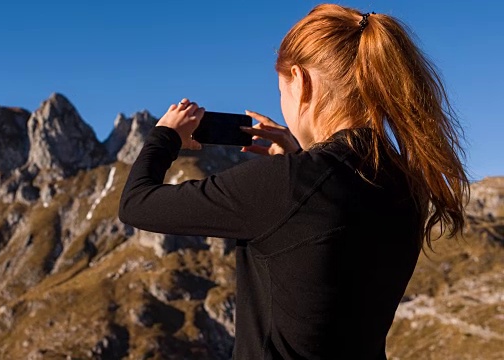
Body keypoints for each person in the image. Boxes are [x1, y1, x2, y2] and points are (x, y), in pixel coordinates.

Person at [119, 4, 468, 359]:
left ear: (300, 81)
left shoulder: (290, 184)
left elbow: (136, 203)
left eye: (281, 91)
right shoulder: (402, 183)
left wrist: (164, 136)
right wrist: (296, 160)